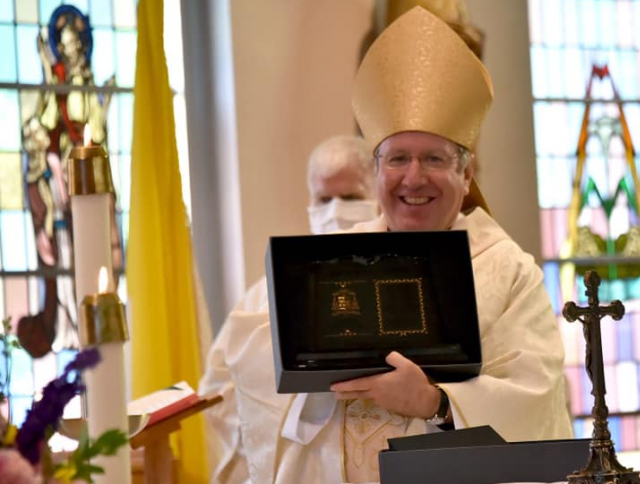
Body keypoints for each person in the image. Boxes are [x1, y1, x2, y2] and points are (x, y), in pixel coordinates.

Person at [200, 8, 572, 484]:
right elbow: (246, 353)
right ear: (376, 170)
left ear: (466, 172)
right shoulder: (333, 261)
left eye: (434, 158)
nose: (413, 178)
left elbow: (535, 398)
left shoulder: (507, 271)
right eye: (397, 158)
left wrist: (436, 402)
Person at [199, 135, 378, 482]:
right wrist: (271, 425)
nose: (335, 210)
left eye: (351, 197)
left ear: (376, 196)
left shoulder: (399, 282)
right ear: (309, 203)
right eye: (324, 199)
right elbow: (216, 388)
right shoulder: (264, 294)